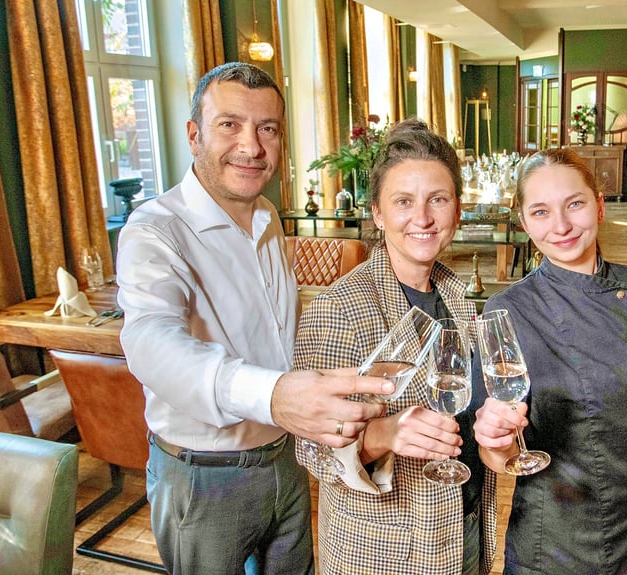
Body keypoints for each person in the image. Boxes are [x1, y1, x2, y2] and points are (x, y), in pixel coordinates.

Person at [116, 62, 392, 575]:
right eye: (230, 125)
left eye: (267, 128)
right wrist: (272, 395)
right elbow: (150, 341)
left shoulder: (267, 217)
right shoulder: (155, 230)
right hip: (203, 476)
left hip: (285, 459)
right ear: (195, 134)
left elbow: (274, 333)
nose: (252, 146)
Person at [473, 148, 627, 575]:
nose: (562, 226)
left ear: (600, 206)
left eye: (575, 204)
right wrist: (496, 442)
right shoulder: (508, 311)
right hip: (564, 545)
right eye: (541, 212)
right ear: (525, 223)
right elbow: (499, 456)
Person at [292, 118, 497, 575]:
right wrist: (386, 434)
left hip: (463, 527)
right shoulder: (339, 307)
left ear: (457, 211)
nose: (422, 218)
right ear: (378, 213)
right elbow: (309, 448)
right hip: (387, 549)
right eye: (403, 201)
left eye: (437, 200)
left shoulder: (457, 296)